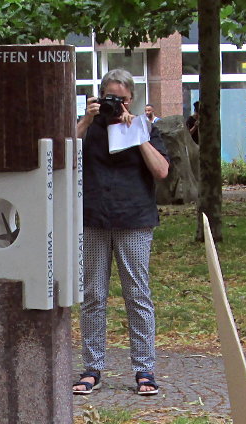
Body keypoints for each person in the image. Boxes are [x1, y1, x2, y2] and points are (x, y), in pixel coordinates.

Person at [73, 69, 169, 397]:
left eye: (123, 99)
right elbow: (59, 155)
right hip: (94, 218)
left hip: (134, 219)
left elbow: (161, 170)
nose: (118, 105)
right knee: (93, 295)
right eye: (111, 98)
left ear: (132, 99)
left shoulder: (143, 126)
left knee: (137, 295)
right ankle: (92, 368)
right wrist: (86, 120)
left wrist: (139, 131)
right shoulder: (90, 126)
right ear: (100, 98)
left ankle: (144, 369)